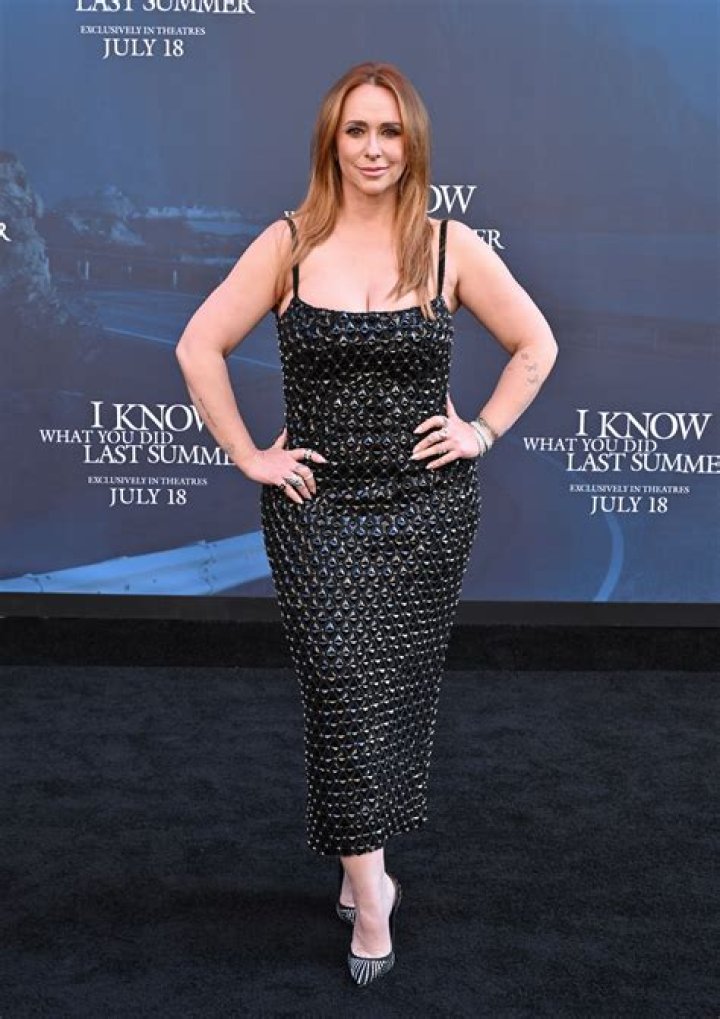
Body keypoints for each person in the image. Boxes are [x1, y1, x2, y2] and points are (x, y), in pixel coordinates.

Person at [175, 60, 558, 986]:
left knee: (392, 697)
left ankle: (363, 868)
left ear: (413, 142)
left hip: (428, 511)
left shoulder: (448, 246)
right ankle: (373, 891)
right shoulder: (289, 242)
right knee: (342, 690)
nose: (374, 148)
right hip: (317, 512)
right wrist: (249, 454)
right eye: (357, 130)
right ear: (331, 141)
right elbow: (198, 344)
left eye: (389, 131)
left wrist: (481, 430)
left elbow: (536, 343)